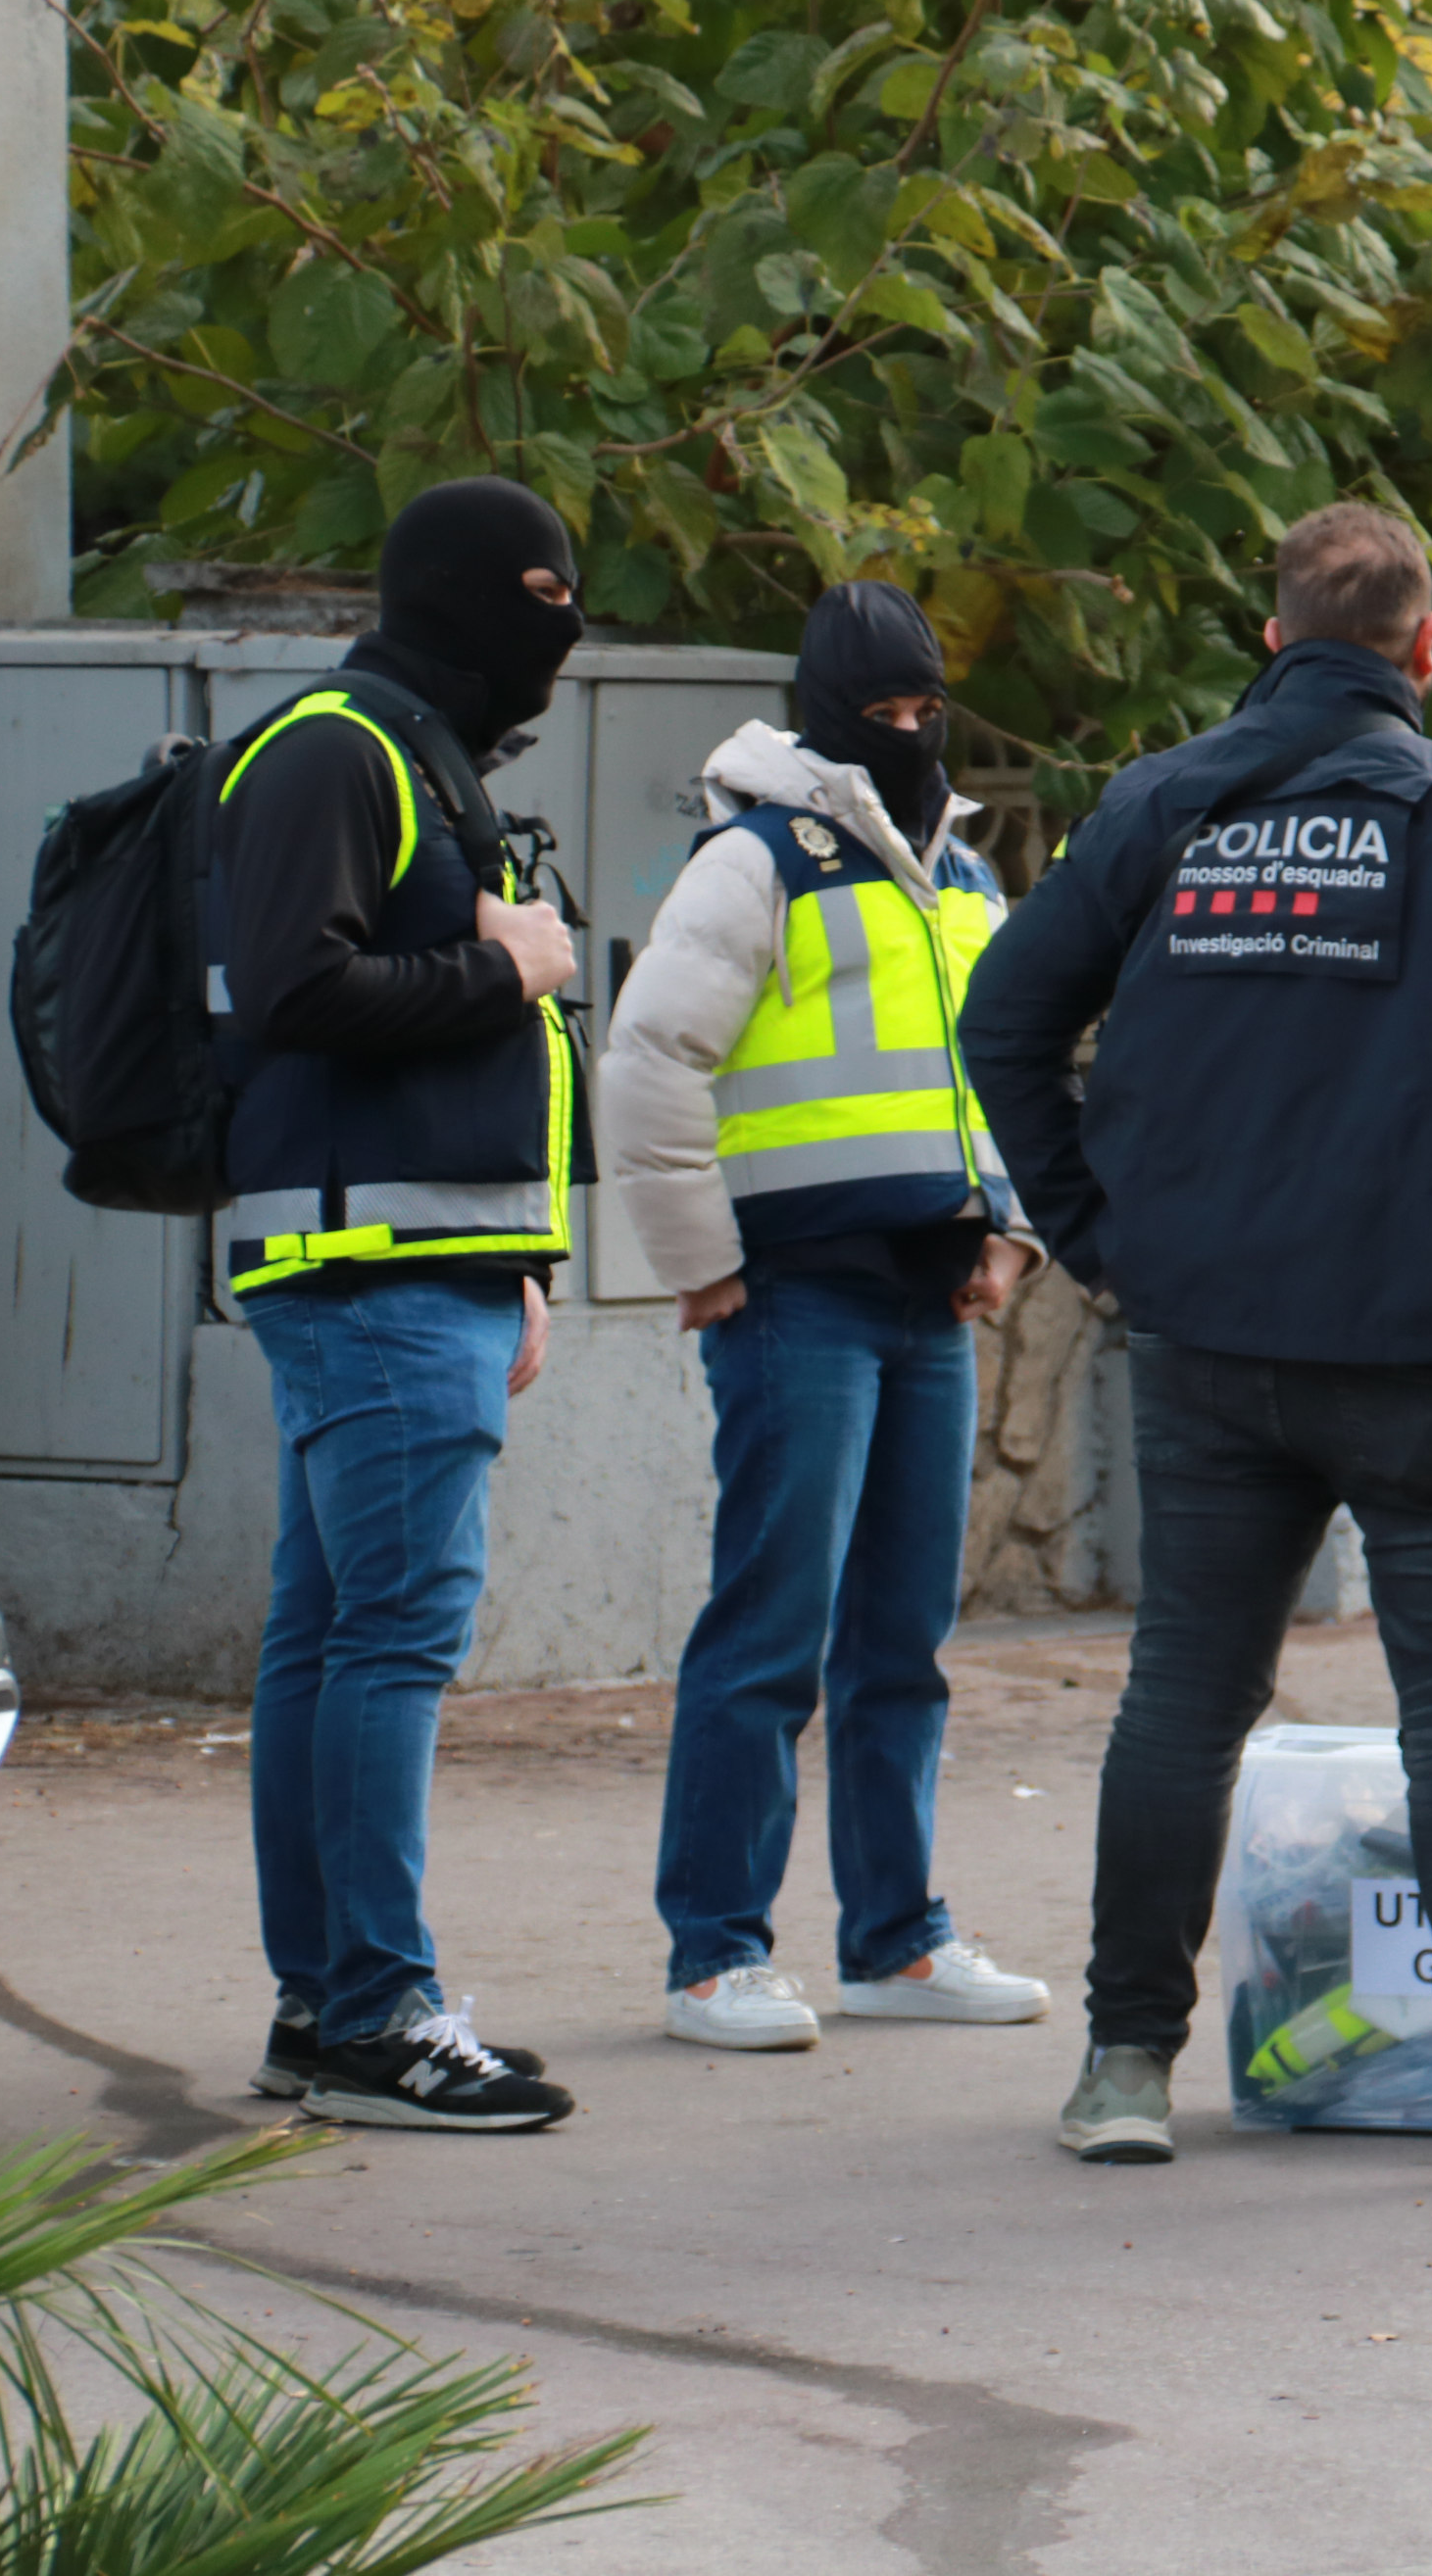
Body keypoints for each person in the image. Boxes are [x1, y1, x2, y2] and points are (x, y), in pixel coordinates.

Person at [959, 502, 1432, 2187]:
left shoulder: (1161, 803)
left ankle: (1122, 2066)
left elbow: (1003, 1016)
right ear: (1425, 646)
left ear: (1272, 639)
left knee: (1183, 1696)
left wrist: (1101, 1236)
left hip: (1207, 1337)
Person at [600, 580, 1054, 2055]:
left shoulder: (962, 875)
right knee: (771, 1633)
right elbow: (650, 1058)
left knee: (904, 1641)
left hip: (932, 1300)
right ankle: (715, 1955)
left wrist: (1011, 1234)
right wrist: (699, 1263)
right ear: (822, 714)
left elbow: (1002, 1069)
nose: (909, 733)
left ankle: (895, 1941)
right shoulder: (755, 862)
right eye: (882, 711)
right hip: (794, 1295)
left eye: (928, 708)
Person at [216, 476, 592, 2133]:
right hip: (366, 1275)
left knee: (330, 1639)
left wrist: (516, 1258)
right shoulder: (336, 748)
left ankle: (326, 2008)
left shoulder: (417, 756)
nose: (561, 629)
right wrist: (511, 967)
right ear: (452, 593)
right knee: (389, 1641)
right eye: (539, 595)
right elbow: (293, 987)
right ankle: (376, 2012)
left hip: (417, 1264)